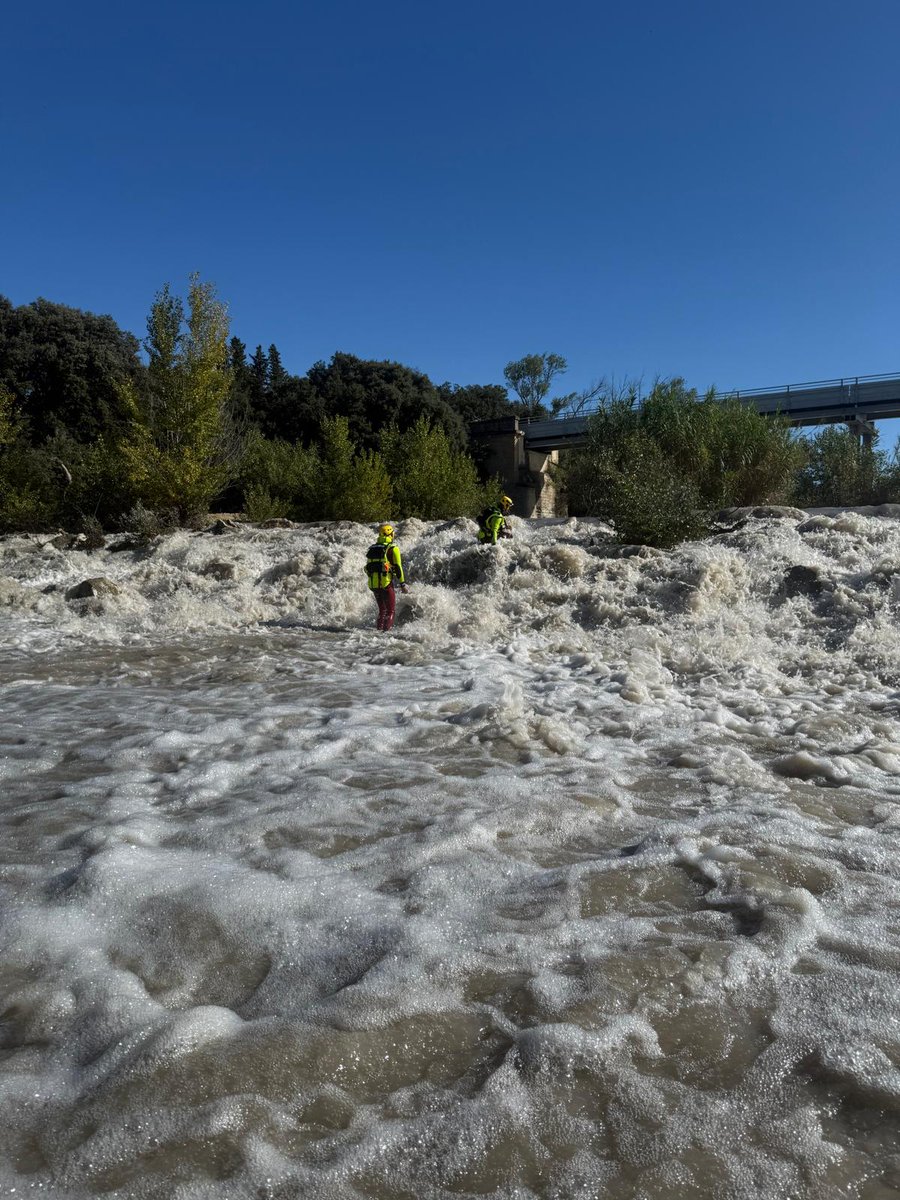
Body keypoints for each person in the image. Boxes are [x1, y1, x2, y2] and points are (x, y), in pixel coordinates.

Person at [365, 522, 409, 631]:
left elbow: (367, 568)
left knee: (382, 610)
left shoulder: (372, 548)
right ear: (390, 534)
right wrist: (402, 584)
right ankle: (385, 635)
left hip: (373, 584)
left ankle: (378, 632)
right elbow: (398, 567)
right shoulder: (393, 548)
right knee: (390, 611)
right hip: (386, 583)